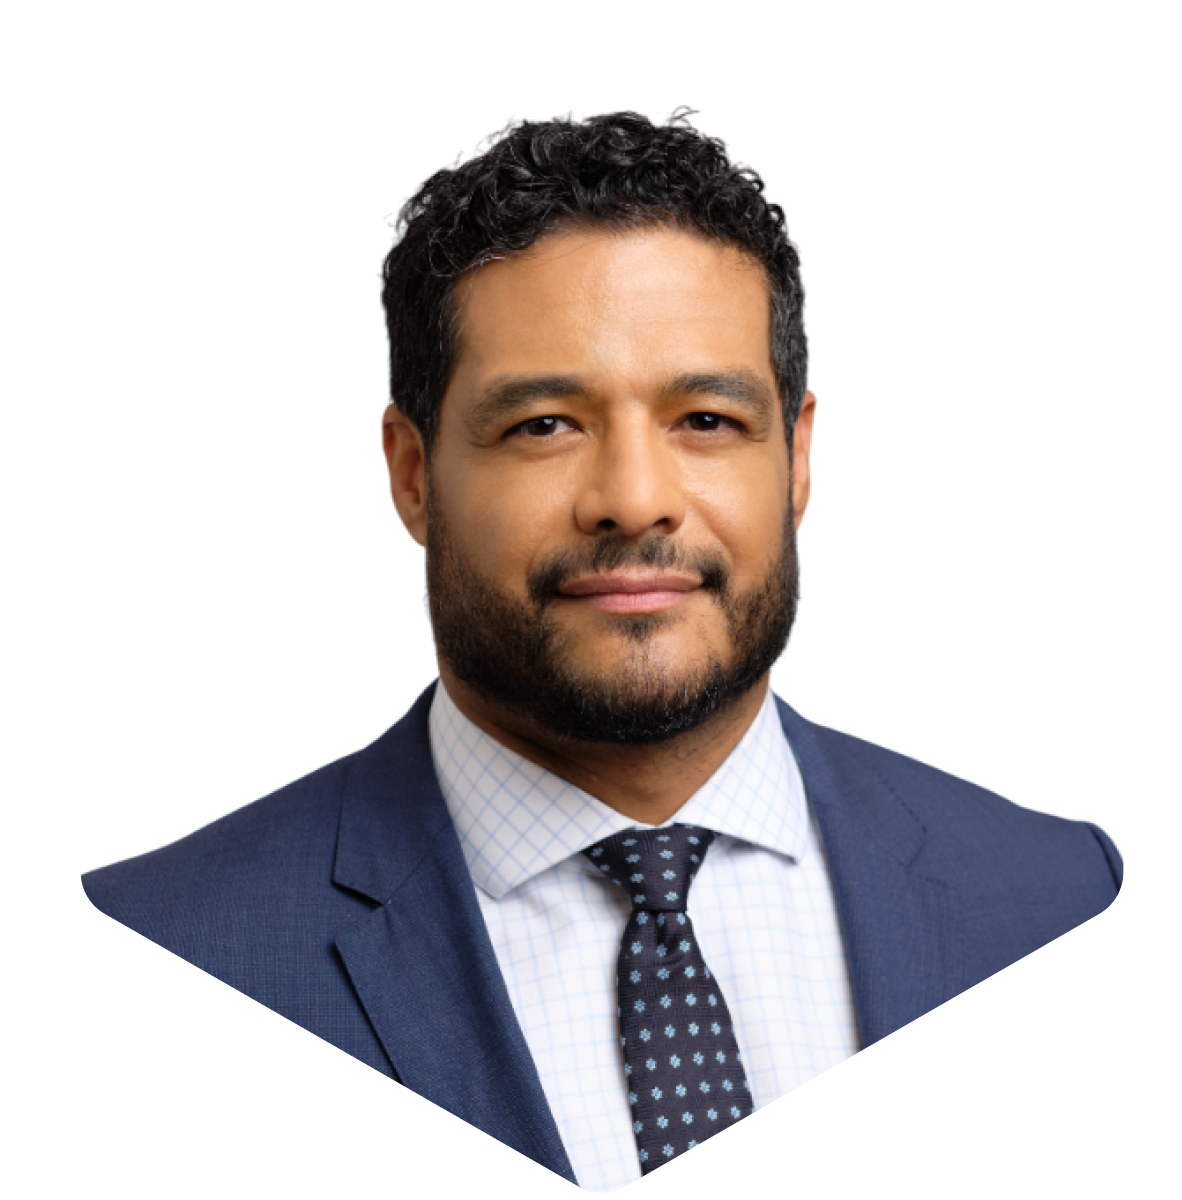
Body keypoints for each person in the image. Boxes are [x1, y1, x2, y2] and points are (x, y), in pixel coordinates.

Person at [81, 107, 1122, 1189]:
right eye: (544, 425)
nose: (633, 500)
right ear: (410, 474)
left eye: (706, 420)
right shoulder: (173, 933)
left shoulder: (1058, 892)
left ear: (801, 456)